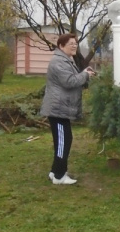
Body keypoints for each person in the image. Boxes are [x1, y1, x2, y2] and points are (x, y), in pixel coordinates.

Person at [40, 34, 96, 185]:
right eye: (71, 43)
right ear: (61, 46)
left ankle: (54, 171)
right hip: (58, 109)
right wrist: (85, 75)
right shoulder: (58, 61)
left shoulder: (65, 60)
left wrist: (84, 73)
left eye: (76, 43)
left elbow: (72, 77)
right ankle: (59, 176)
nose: (74, 46)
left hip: (61, 108)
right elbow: (69, 81)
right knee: (63, 142)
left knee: (63, 140)